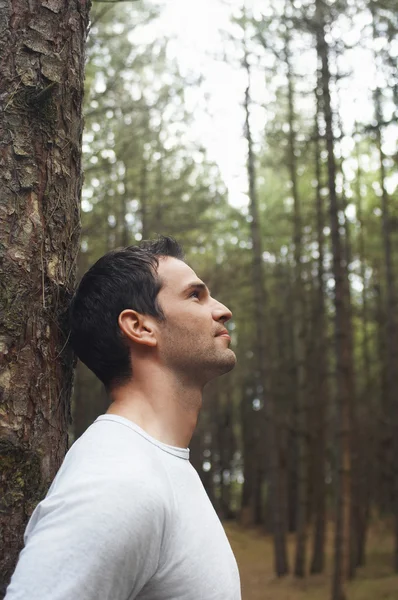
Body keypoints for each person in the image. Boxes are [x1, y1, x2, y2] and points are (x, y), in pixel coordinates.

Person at [5, 236, 241, 600]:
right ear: (140, 327)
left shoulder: (154, 466)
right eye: (196, 295)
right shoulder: (117, 480)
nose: (222, 310)